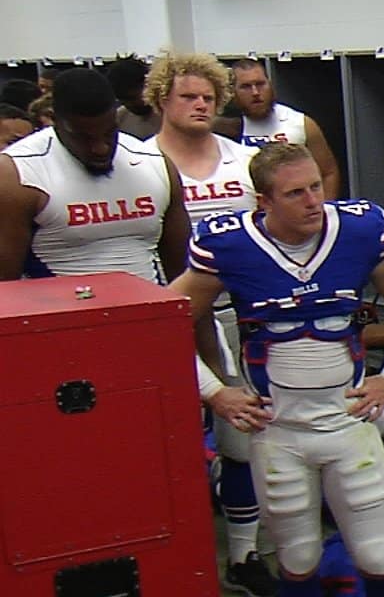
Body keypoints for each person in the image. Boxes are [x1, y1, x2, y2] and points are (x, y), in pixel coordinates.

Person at [169, 143, 384, 597]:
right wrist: (215, 392)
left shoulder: (359, 229)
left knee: (378, 555)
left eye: (315, 187)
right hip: (280, 432)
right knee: (298, 558)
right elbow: (164, 324)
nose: (313, 201)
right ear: (263, 201)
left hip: (347, 424)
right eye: (295, 193)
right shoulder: (227, 243)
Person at [143, 52, 277, 596]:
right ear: (159, 101)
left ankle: (243, 555)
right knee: (163, 441)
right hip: (169, 315)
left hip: (240, 317)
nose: (199, 106)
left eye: (207, 97)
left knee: (241, 432)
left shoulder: (244, 161)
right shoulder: (143, 164)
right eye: (186, 97)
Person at [0, 68, 188, 283]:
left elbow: (183, 276)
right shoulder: (17, 173)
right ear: (55, 121)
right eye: (83, 137)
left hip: (150, 310)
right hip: (60, 312)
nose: (100, 148)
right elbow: (5, 286)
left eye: (109, 133)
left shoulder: (153, 162)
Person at [230, 60, 342, 199]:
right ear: (232, 91)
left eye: (260, 84)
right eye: (246, 87)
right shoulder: (226, 128)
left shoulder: (300, 123)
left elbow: (328, 172)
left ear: (270, 84)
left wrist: (325, 211)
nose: (255, 92)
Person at [109, 55, 161, 139]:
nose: (129, 105)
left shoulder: (170, 114)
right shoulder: (120, 118)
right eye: (123, 100)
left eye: (132, 98)